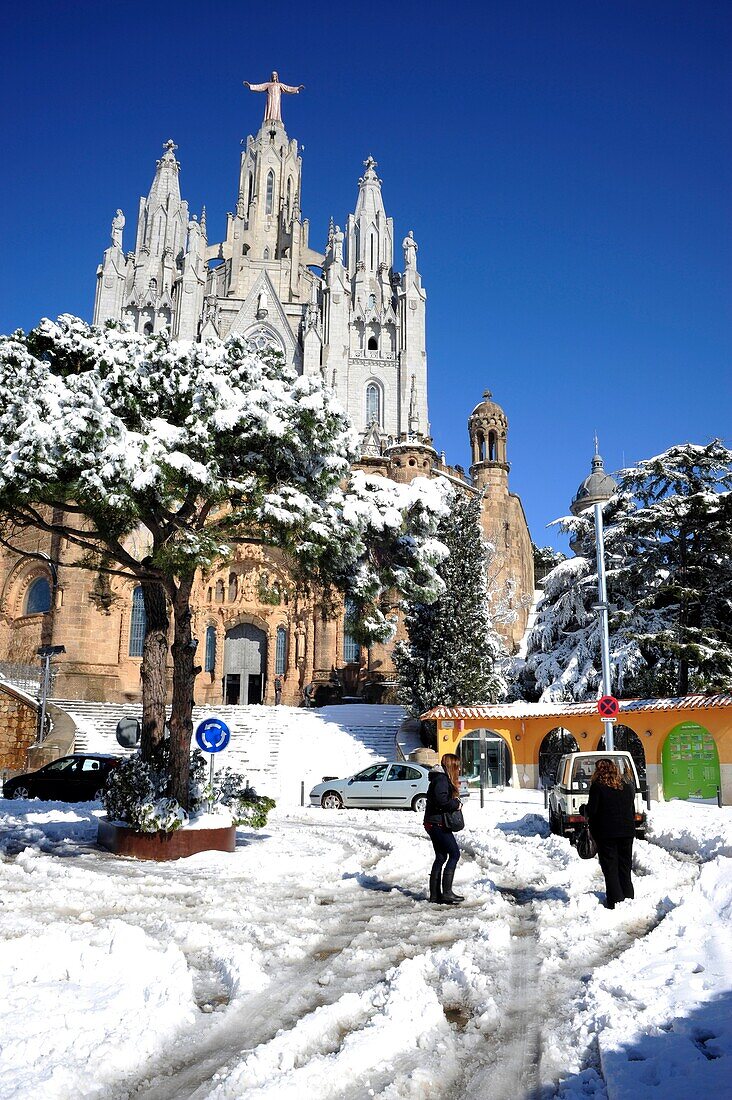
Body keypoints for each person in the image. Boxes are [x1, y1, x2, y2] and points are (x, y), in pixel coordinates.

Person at [586, 758, 636, 909]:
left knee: (610, 866)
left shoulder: (598, 787)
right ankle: (628, 895)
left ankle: (615, 899)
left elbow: (592, 810)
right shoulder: (626, 786)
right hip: (627, 831)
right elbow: (631, 808)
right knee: (625, 865)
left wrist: (584, 810)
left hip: (606, 833)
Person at [423, 753, 464, 905]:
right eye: (457, 766)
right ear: (451, 766)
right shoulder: (441, 779)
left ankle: (435, 895)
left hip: (433, 822)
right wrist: (455, 804)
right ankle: (446, 893)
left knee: (441, 857)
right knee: (454, 853)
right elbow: (441, 801)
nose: (459, 769)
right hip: (437, 823)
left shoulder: (439, 778)